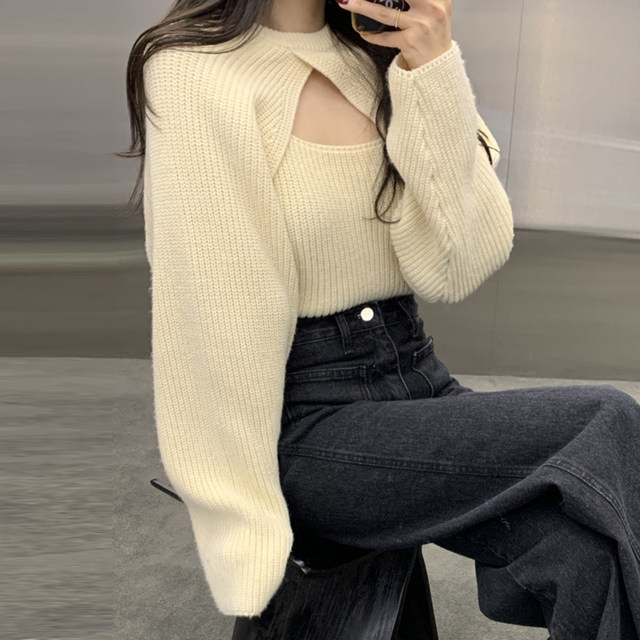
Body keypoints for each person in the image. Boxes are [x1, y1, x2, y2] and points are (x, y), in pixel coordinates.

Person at [122, 0, 640, 636]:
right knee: (605, 418)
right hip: (304, 416)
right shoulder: (192, 69)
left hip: (414, 375)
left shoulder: (383, 57)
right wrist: (240, 525)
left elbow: (459, 263)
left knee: (585, 549)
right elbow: (217, 312)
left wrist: (432, 69)